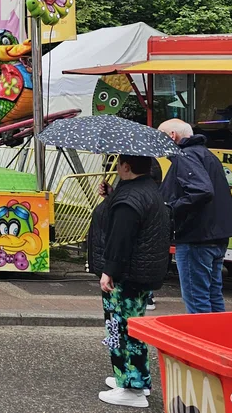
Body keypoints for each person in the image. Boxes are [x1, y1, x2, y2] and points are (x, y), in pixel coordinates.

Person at [87, 154, 171, 409]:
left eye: (119, 164)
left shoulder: (129, 199)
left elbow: (120, 238)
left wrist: (108, 271)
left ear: (126, 166)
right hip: (141, 274)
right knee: (131, 326)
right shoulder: (146, 190)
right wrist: (112, 194)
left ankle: (132, 388)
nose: (116, 168)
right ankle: (133, 378)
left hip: (125, 275)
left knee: (121, 328)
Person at [157, 119, 232, 314]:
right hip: (216, 235)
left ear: (172, 136)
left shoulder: (184, 156)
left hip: (196, 237)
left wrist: (171, 209)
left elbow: (202, 191)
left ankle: (202, 341)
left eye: (160, 135)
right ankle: (218, 340)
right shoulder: (207, 154)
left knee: (197, 300)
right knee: (213, 295)